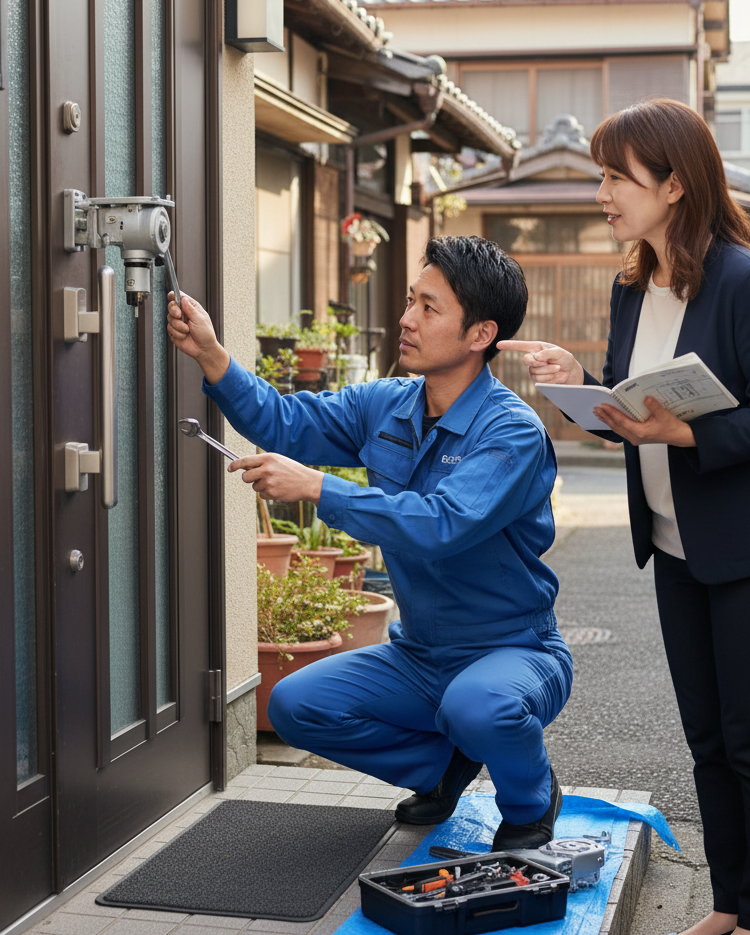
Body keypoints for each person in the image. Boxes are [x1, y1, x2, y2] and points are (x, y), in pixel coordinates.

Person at [500, 99, 750, 935]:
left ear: (674, 184)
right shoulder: (631, 286)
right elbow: (630, 406)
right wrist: (580, 382)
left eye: (617, 177)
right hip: (677, 547)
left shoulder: (746, 281)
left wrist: (685, 432)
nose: (603, 193)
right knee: (707, 739)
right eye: (602, 176)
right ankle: (729, 904)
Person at [167, 234, 573, 850]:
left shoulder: (511, 432)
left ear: (480, 334)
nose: (406, 319)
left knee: (479, 707)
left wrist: (317, 487)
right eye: (411, 301)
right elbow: (284, 422)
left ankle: (531, 802)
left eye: (429, 308)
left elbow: (440, 525)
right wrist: (212, 356)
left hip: (514, 651)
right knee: (295, 705)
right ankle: (443, 769)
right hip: (421, 656)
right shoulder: (386, 405)